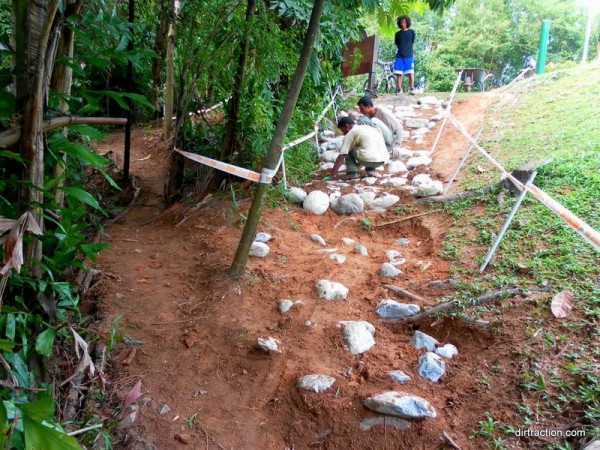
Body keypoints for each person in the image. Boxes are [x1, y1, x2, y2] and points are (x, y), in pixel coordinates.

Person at [394, 15, 416, 95]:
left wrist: (409, 52)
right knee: (398, 73)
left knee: (411, 72)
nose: (403, 24)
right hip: (399, 56)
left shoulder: (412, 32)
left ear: (407, 22)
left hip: (409, 56)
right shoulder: (397, 34)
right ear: (399, 24)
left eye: (404, 22)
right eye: (401, 23)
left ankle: (412, 89)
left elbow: (412, 44)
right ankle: (399, 89)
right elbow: (397, 45)